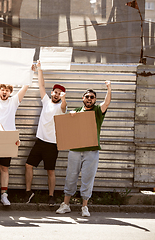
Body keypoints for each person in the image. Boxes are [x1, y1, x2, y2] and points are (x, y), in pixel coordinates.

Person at [56, 81, 111, 217]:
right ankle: (66, 205)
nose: (89, 99)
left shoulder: (98, 111)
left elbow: (107, 103)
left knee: (87, 178)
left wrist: (109, 89)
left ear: (95, 100)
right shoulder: (77, 112)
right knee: (71, 177)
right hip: (75, 151)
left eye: (92, 97)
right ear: (83, 98)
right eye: (87, 97)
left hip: (91, 152)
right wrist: (72, 115)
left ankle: (84, 207)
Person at [0, 64, 35, 206]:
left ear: (10, 91)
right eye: (2, 90)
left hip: (8, 139)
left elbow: (25, 86)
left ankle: (4, 195)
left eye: (7, 90)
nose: (4, 92)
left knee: (4, 168)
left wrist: (31, 72)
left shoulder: (13, 102)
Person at [25, 61, 67, 206]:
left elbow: (64, 106)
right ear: (52, 92)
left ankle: (51, 196)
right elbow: (41, 85)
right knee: (28, 165)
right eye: (55, 92)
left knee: (50, 171)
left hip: (52, 144)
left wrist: (64, 98)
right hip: (40, 141)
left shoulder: (62, 107)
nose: (56, 95)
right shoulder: (46, 101)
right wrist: (39, 69)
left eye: (59, 93)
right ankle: (28, 192)